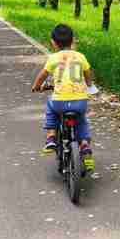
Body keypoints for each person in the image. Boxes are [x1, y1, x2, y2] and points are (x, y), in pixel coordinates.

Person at [31, 24, 95, 171]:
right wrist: (89, 85)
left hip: (60, 102)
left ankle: (51, 136)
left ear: (53, 42)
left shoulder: (53, 58)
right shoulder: (80, 56)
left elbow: (43, 75)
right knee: (81, 119)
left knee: (50, 105)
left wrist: (36, 86)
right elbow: (88, 74)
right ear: (73, 40)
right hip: (80, 101)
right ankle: (84, 144)